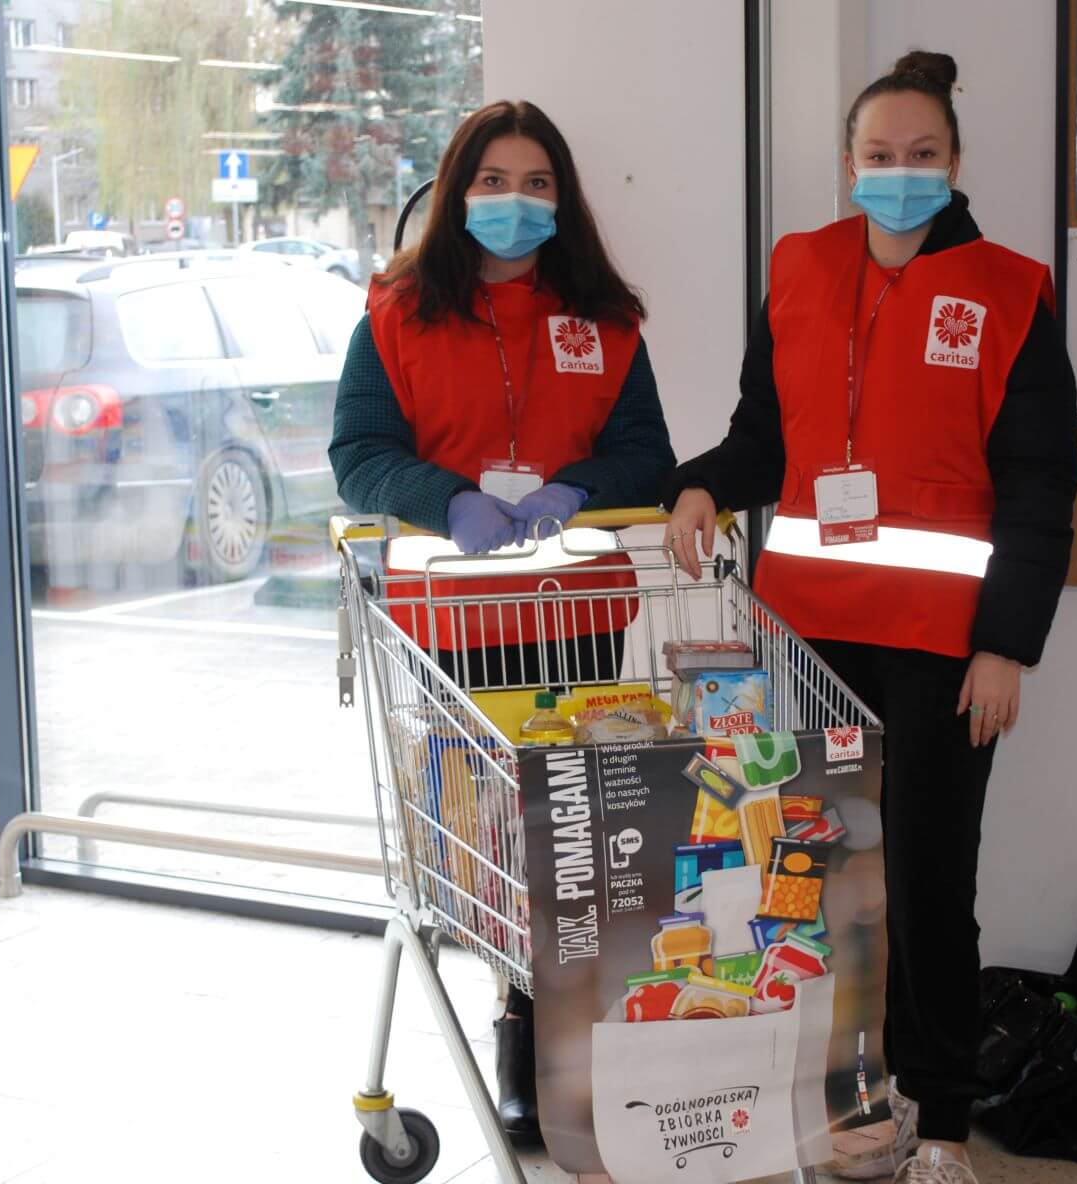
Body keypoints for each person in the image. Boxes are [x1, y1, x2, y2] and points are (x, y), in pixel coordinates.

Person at [663, 51, 1077, 1184]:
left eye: (922, 154)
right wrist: (702, 483)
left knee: (928, 882)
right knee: (803, 874)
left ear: (954, 161)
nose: (900, 172)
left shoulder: (1010, 290)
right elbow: (764, 436)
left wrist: (1005, 645)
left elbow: (1040, 485)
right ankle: (830, 1093)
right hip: (804, 632)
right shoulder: (800, 266)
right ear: (847, 162)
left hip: (942, 649)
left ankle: (937, 1119)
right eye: (879, 154)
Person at [330, 99, 676, 1143]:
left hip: (576, 619)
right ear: (456, 192)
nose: (513, 202)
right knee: (487, 843)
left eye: (535, 183)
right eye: (492, 181)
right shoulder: (396, 313)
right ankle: (516, 1025)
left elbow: (646, 455)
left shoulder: (603, 320)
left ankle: (570, 1039)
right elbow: (359, 454)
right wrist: (447, 500)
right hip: (449, 625)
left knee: (576, 842)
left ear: (561, 198)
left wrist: (576, 488)